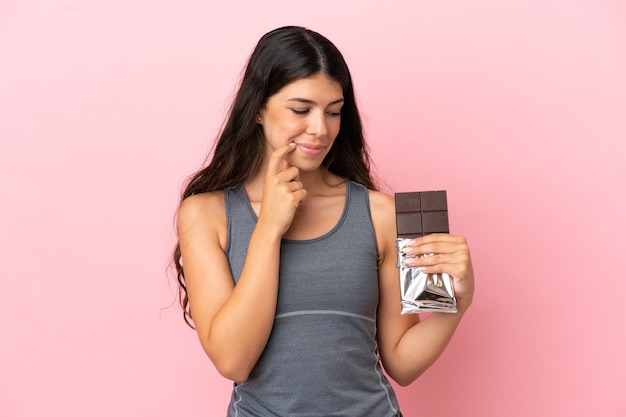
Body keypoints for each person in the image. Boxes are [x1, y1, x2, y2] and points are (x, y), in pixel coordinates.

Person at [173, 25, 475, 417]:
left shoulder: (383, 214)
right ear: (259, 108)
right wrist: (269, 228)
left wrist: (456, 304)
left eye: (334, 111)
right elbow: (234, 361)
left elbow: (401, 363)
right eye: (301, 109)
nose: (321, 129)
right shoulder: (205, 214)